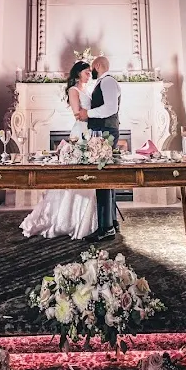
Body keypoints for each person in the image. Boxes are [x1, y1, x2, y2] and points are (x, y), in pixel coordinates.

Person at [19, 61, 97, 240]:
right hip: (81, 132)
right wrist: (95, 115)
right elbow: (77, 114)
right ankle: (67, 220)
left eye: (89, 72)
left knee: (89, 175)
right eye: (86, 72)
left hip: (90, 131)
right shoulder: (73, 91)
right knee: (77, 174)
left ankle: (86, 218)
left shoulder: (87, 90)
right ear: (78, 73)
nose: (89, 75)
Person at [77, 55, 121, 241]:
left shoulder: (108, 81)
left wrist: (88, 113)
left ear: (98, 65)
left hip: (105, 133)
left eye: (92, 68)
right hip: (103, 132)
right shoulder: (104, 82)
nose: (91, 72)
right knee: (106, 178)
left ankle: (106, 228)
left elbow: (110, 108)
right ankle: (111, 223)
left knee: (102, 178)